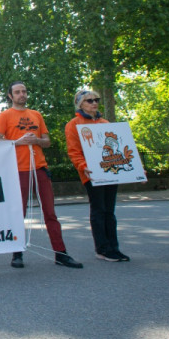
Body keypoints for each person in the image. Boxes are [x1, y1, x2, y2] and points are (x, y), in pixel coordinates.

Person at [0, 81, 82, 269]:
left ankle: (61, 253)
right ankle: (17, 253)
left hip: (39, 168)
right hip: (18, 169)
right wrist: (19, 141)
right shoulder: (5, 115)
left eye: (24, 91)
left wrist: (38, 140)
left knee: (50, 212)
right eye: (17, 92)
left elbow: (47, 141)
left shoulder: (36, 115)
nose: (21, 95)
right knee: (20, 213)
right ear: (10, 96)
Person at [64, 90, 129, 262]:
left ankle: (114, 248)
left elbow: (119, 147)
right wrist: (83, 167)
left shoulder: (105, 123)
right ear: (80, 104)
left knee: (110, 211)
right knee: (99, 209)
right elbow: (74, 151)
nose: (94, 103)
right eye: (89, 100)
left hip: (110, 171)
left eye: (96, 100)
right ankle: (102, 249)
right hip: (91, 174)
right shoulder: (74, 124)